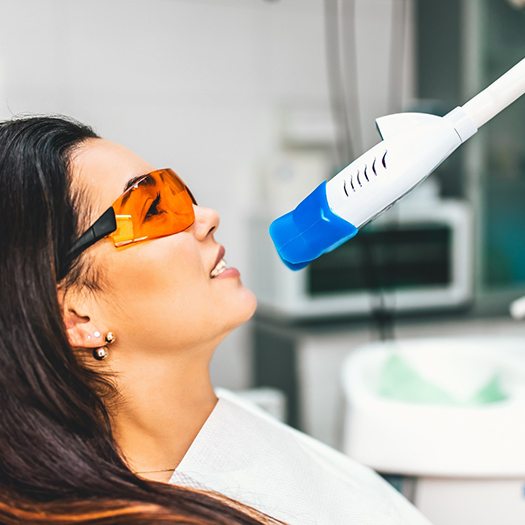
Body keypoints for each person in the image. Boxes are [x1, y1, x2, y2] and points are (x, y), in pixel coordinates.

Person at [0, 115, 431, 525]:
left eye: (178, 191)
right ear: (77, 317)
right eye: (153, 208)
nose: (206, 217)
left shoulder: (222, 421)